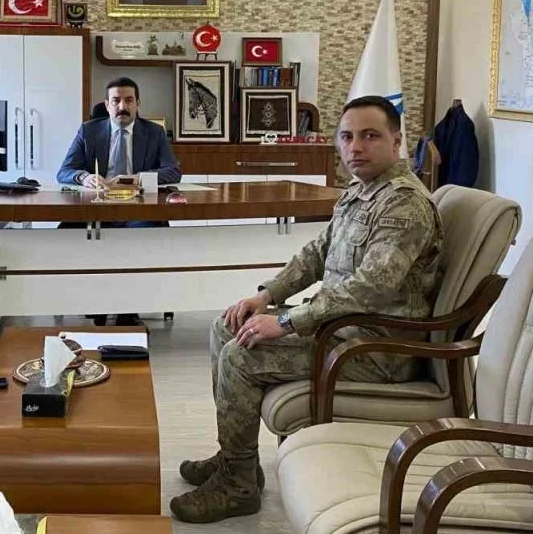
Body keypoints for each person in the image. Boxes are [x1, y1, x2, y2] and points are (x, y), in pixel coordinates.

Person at [168, 95, 444, 524]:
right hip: (340, 330)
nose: (355, 147)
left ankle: (237, 487)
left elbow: (369, 289)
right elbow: (316, 254)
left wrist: (285, 321)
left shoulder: (403, 205)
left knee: (241, 355)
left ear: (396, 141)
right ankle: (236, 460)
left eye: (370, 136)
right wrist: (266, 296)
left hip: (375, 350)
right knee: (228, 325)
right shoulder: (361, 192)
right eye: (347, 136)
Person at [57, 77, 182, 326]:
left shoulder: (154, 132)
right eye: (116, 100)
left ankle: (127, 312)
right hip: (97, 209)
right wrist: (85, 177)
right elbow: (65, 171)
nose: (122, 106)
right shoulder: (89, 131)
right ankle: (99, 302)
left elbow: (173, 171)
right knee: (69, 240)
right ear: (106, 105)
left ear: (138, 104)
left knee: (140, 242)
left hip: (139, 210)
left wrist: (139, 178)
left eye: (128, 100)